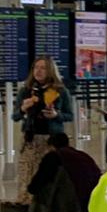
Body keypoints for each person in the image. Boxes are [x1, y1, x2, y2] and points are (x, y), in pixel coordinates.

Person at [13, 56, 71, 204]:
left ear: (50, 71)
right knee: (27, 175)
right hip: (31, 139)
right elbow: (15, 116)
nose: (38, 71)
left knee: (49, 175)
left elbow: (69, 115)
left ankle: (48, 208)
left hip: (51, 139)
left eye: (43, 68)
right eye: (36, 68)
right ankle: (26, 206)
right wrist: (23, 108)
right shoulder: (25, 91)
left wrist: (56, 115)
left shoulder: (60, 91)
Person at [26, 131, 101, 212]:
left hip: (73, 201)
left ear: (51, 146)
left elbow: (36, 184)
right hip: (93, 198)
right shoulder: (82, 155)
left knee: (46, 188)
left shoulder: (53, 156)